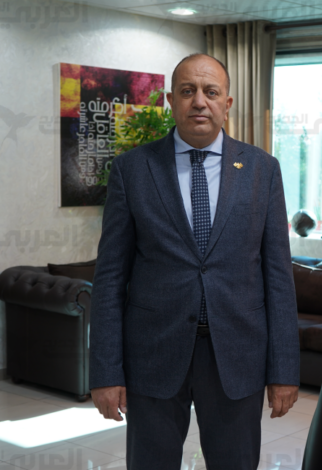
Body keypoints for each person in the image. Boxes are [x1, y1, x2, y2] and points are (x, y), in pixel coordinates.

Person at [88, 53, 301, 470]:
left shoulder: (262, 170)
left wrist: (284, 370)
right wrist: (105, 372)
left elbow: (278, 278)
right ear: (171, 100)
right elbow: (110, 278)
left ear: (227, 103)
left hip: (237, 356)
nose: (199, 101)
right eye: (187, 91)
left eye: (210, 92)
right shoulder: (133, 170)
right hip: (153, 355)